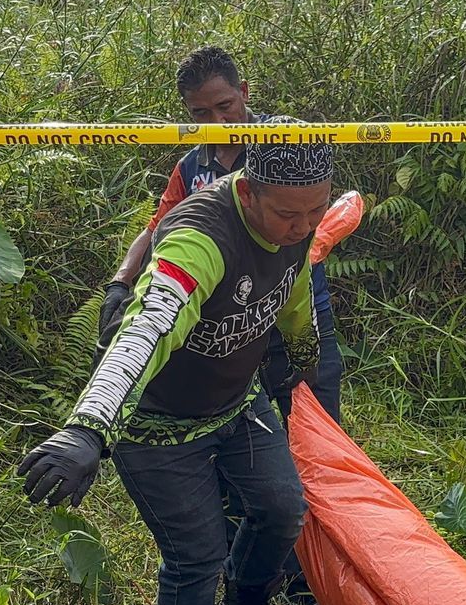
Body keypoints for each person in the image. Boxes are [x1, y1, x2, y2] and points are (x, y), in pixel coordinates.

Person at [20, 141, 335, 605]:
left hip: (237, 402)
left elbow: (293, 286)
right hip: (155, 425)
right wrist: (89, 427)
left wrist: (301, 351)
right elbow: (149, 326)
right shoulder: (201, 238)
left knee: (282, 508)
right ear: (248, 188)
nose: (302, 226)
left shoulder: (296, 217)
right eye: (288, 214)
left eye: (316, 212)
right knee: (196, 555)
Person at [98, 46, 344, 425]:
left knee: (317, 412)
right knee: (245, 422)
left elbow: (314, 210)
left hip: (291, 295)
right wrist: (120, 282)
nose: (218, 120)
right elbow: (157, 226)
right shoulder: (192, 166)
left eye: (225, 105)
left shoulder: (284, 143)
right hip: (229, 318)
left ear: (243, 92)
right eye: (201, 113)